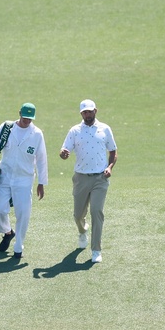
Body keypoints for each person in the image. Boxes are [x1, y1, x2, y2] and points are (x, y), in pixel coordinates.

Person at [0, 103, 48, 260]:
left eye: (30, 119)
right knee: (0, 210)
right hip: (5, 176)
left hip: (25, 179)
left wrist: (42, 182)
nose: (27, 121)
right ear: (19, 114)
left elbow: (42, 159)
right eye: (25, 118)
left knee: (23, 213)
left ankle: (19, 246)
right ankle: (8, 232)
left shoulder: (37, 134)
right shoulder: (7, 128)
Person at [59, 100, 117, 264]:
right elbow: (65, 150)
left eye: (90, 111)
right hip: (81, 178)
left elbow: (113, 151)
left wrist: (110, 167)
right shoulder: (75, 131)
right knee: (78, 215)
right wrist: (63, 153)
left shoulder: (104, 129)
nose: (88, 115)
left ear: (95, 111)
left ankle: (96, 250)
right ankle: (82, 231)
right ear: (81, 114)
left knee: (96, 211)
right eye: (85, 112)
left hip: (100, 178)